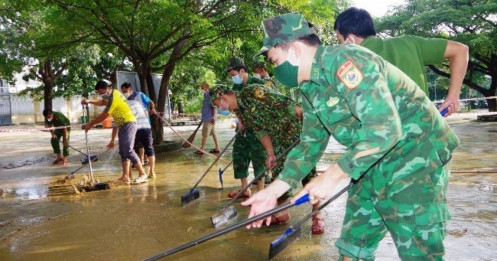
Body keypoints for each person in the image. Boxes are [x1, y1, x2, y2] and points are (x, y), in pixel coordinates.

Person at [242, 13, 462, 260]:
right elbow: (309, 144)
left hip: (416, 159)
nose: (275, 69)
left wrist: (330, 177)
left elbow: (384, 131)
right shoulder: (309, 87)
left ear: (293, 50)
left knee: (419, 252)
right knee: (352, 246)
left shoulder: (348, 60)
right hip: (368, 161)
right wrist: (274, 190)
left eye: (274, 60)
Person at [210, 83, 324, 233]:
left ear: (223, 97)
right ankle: (282, 212)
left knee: (308, 173)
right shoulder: (240, 112)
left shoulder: (251, 92)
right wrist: (270, 153)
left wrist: (305, 119)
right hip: (278, 138)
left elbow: (282, 101)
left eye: (218, 104)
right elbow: (260, 132)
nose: (220, 108)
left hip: (295, 129)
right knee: (279, 173)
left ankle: (317, 215)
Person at [334, 7, 469, 117]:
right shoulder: (409, 43)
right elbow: (460, 50)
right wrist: (453, 96)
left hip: (390, 144)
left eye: (340, 40)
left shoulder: (350, 66)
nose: (340, 46)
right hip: (429, 135)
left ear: (350, 39)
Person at [81, 80, 147, 184]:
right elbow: (102, 102)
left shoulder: (114, 97)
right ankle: (125, 176)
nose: (101, 95)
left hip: (129, 123)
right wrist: (90, 101)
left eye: (102, 93)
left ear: (108, 88)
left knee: (129, 150)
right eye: (99, 94)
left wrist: (90, 124)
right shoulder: (110, 95)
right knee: (123, 151)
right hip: (122, 125)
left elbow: (104, 115)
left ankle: (142, 173)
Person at [226, 57, 268, 198]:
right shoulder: (236, 87)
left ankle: (261, 192)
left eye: (233, 75)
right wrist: (239, 119)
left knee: (259, 159)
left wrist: (249, 120)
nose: (233, 79)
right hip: (242, 129)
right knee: (239, 155)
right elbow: (234, 105)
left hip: (258, 130)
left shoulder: (259, 84)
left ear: (242, 71)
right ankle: (245, 188)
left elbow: (266, 108)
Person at [120, 82, 157, 180]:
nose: (124, 93)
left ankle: (150, 171)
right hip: (139, 126)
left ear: (130, 89)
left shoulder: (139, 96)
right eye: (123, 92)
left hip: (140, 125)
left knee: (133, 149)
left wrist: (152, 109)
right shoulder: (128, 100)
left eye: (125, 91)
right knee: (138, 148)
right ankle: (132, 172)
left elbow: (150, 102)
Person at [197, 82, 221, 154]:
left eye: (202, 88)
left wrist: (213, 117)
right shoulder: (206, 95)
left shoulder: (209, 95)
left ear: (207, 87)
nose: (201, 89)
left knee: (205, 133)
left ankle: (202, 148)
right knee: (213, 133)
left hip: (209, 118)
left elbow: (213, 107)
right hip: (208, 117)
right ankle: (217, 147)